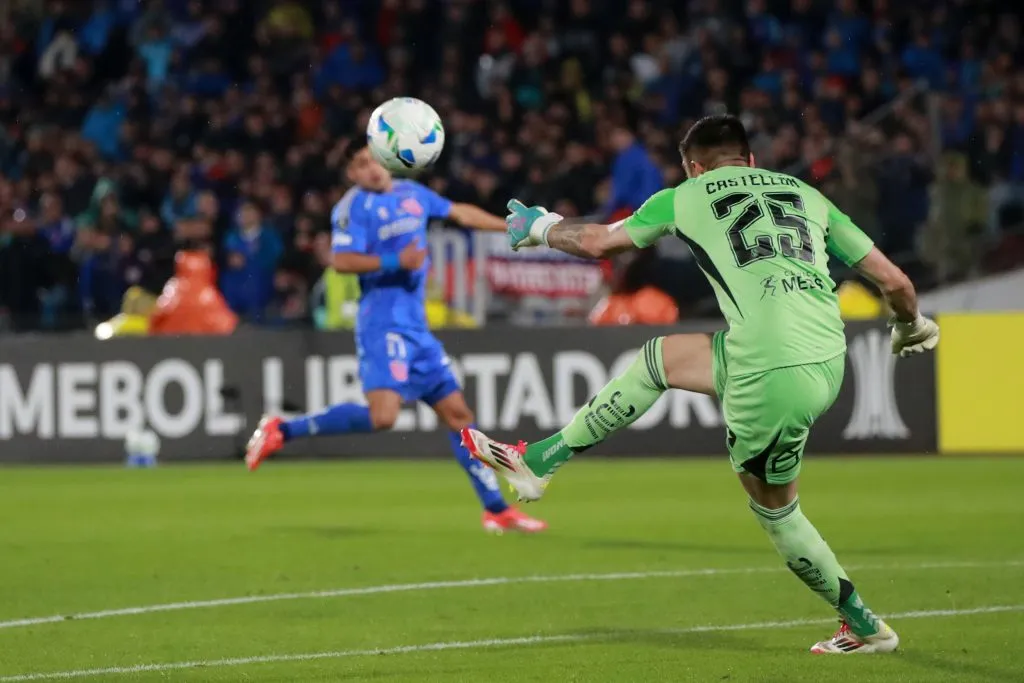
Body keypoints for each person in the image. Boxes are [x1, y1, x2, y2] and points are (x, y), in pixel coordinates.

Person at [462, 115, 939, 650]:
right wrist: (910, 325)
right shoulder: (805, 193)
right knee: (660, 358)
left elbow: (598, 243)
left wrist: (540, 228)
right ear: (750, 160)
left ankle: (865, 625)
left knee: (776, 511)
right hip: (825, 356)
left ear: (693, 167)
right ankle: (541, 460)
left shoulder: (685, 196)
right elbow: (895, 281)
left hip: (771, 373)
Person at [245, 146, 546, 535]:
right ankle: (281, 430)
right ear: (351, 174)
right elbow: (341, 260)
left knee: (460, 418)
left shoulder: (413, 194)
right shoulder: (352, 209)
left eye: (371, 159)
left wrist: (511, 227)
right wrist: (394, 263)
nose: (368, 168)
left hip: (417, 330)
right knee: (383, 417)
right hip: (381, 325)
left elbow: (459, 212)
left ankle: (496, 509)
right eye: (358, 165)